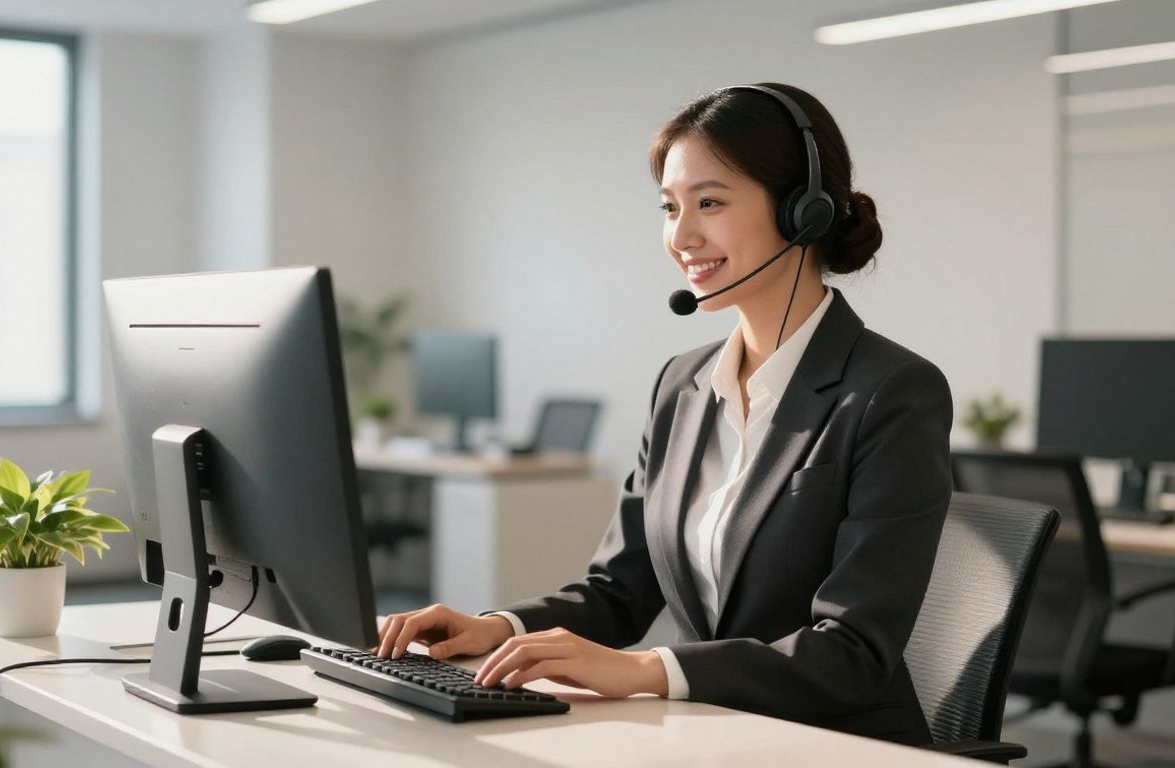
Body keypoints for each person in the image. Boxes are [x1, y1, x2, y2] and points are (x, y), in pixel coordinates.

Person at [374, 83, 953, 746]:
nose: (681, 236)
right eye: (670, 207)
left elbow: (853, 651)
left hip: (837, 746)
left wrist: (649, 669)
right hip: (708, 735)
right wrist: (499, 627)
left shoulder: (891, 392)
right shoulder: (681, 385)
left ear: (803, 212)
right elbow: (620, 591)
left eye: (709, 203)